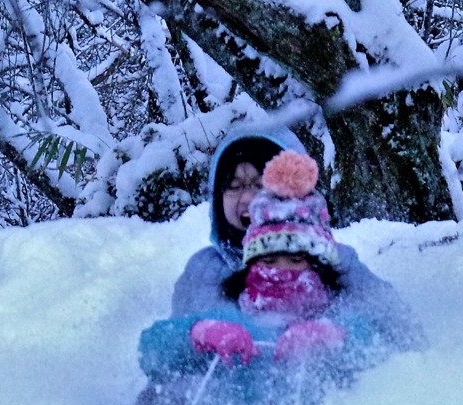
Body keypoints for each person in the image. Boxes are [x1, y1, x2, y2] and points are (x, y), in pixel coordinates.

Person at [124, 151, 399, 405]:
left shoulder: (335, 314)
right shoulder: (232, 314)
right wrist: (198, 333)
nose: (280, 271)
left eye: (296, 260)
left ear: (321, 269)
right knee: (168, 395)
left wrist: (336, 337)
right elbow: (152, 352)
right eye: (268, 260)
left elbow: (386, 353)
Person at [170, 125, 426, 351]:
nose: (247, 199)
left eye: (260, 185)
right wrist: (195, 334)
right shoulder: (204, 271)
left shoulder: (336, 260)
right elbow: (166, 358)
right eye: (234, 187)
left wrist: (339, 333)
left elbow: (402, 329)